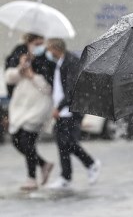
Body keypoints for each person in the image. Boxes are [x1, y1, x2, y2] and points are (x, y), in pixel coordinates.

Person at [45, 39, 101, 189]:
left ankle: (91, 163)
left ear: (56, 48)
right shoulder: (61, 62)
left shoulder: (71, 62)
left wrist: (59, 106)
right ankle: (66, 177)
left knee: (69, 142)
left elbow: (71, 89)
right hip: (63, 111)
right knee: (62, 142)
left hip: (71, 110)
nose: (48, 53)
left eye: (49, 49)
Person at [5, 39, 56, 190]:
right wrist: (21, 68)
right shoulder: (21, 57)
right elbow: (9, 78)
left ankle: (31, 178)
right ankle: (43, 164)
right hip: (21, 108)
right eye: (35, 43)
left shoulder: (47, 62)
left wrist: (32, 75)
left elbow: (48, 88)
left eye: (41, 43)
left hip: (38, 109)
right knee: (16, 140)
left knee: (27, 141)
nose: (37, 47)